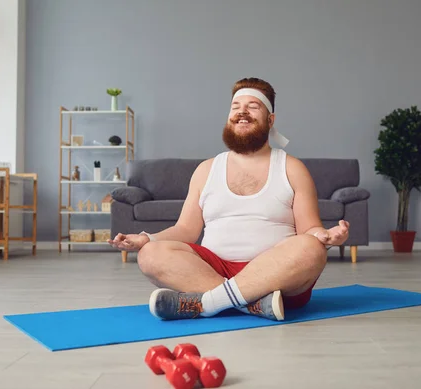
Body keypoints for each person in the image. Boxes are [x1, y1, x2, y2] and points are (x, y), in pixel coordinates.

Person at [108, 77, 350, 321]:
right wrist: (146, 239)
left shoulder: (293, 168)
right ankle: (253, 303)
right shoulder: (206, 169)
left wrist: (324, 236)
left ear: (270, 120)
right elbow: (185, 230)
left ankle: (209, 302)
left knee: (311, 248)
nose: (242, 112)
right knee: (150, 254)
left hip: (277, 276)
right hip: (213, 269)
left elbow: (309, 229)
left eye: (253, 106)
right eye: (235, 107)